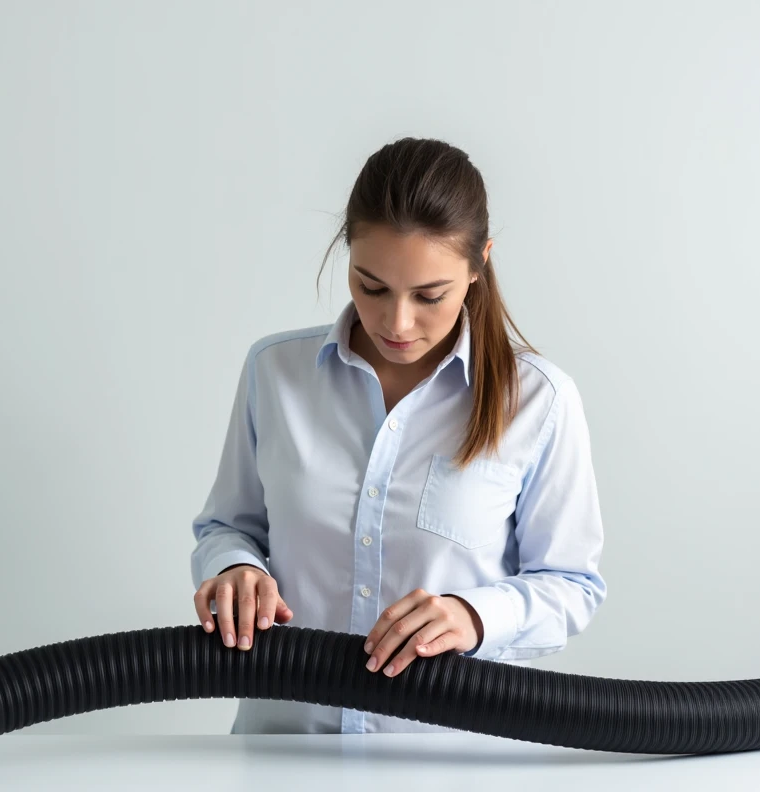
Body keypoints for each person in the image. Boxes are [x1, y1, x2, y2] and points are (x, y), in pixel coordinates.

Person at [190, 136, 607, 734]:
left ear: (478, 263)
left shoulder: (538, 401)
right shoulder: (274, 373)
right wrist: (232, 568)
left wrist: (474, 615)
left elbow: (572, 586)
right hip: (281, 757)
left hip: (453, 779)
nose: (395, 321)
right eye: (372, 286)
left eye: (429, 295)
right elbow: (227, 527)